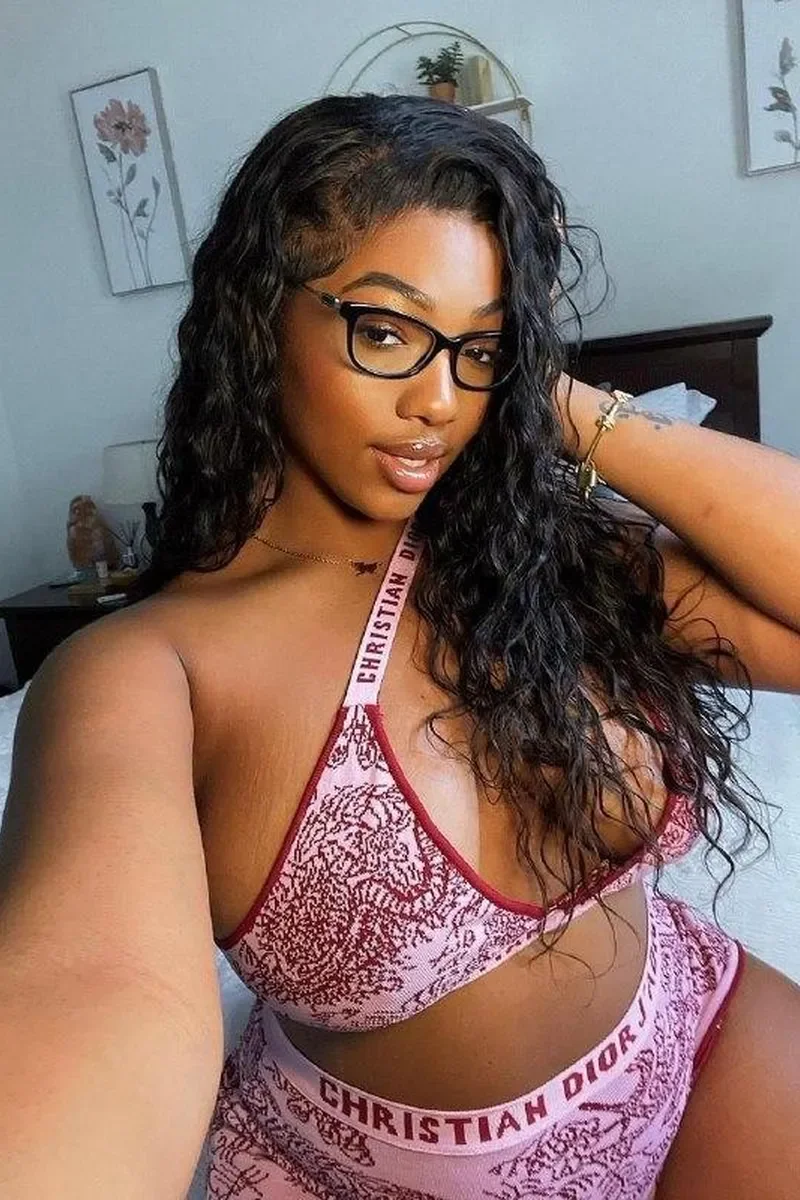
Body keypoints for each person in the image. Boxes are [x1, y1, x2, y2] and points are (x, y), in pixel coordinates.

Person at [1, 93, 799, 1200]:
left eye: (479, 349)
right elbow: (95, 997)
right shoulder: (148, 669)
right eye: (385, 331)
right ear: (258, 314)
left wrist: (554, 402)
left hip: (689, 1037)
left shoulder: (549, 561)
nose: (437, 402)